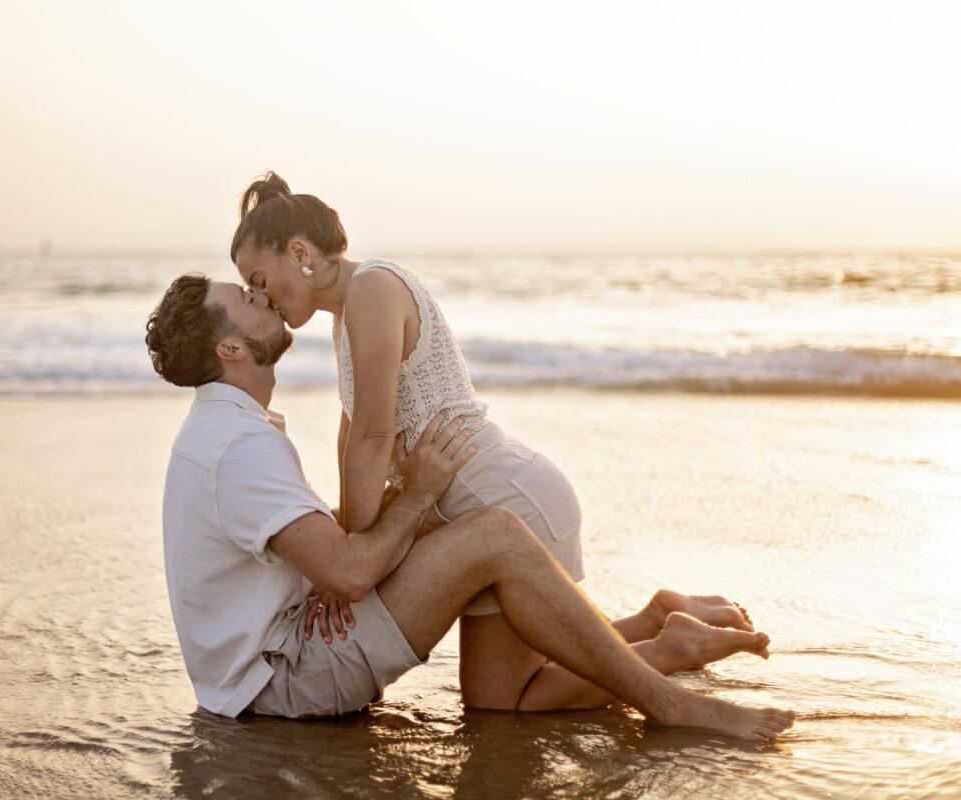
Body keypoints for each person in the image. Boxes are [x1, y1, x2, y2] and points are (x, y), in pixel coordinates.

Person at [145, 273, 794, 740]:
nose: (260, 295)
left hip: (292, 648)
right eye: (244, 300)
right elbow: (345, 572)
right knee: (495, 537)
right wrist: (421, 493)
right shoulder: (238, 446)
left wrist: (397, 524)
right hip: (287, 684)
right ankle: (667, 700)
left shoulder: (230, 431)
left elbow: (325, 560)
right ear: (230, 349)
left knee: (475, 570)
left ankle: (656, 631)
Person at [231, 172, 758, 709]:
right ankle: (656, 620)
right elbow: (354, 440)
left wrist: (353, 569)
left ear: (298, 251)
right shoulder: (347, 315)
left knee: (510, 704)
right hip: (477, 506)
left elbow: (372, 437)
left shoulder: (371, 288)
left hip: (505, 500)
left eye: (258, 279)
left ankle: (672, 648)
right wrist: (350, 554)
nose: (259, 297)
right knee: (501, 694)